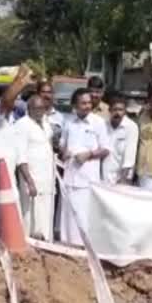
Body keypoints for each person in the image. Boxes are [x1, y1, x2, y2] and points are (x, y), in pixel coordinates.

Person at [59, 87, 111, 245]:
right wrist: (64, 152)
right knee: (69, 214)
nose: (87, 106)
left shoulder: (98, 122)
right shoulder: (68, 122)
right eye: (83, 103)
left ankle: (83, 246)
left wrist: (89, 154)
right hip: (70, 175)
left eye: (89, 103)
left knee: (84, 214)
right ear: (75, 105)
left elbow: (106, 149)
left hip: (88, 177)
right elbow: (62, 145)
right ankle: (67, 245)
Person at [12, 95, 56, 241]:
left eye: (42, 108)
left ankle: (46, 249)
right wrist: (29, 181)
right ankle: (29, 250)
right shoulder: (22, 125)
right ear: (29, 109)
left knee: (45, 217)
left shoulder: (45, 123)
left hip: (47, 180)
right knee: (30, 217)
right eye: (36, 108)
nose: (40, 111)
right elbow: (21, 157)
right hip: (32, 179)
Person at [0, 64, 33, 144]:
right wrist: (20, 79)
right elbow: (6, 101)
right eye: (14, 97)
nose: (16, 101)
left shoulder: (14, 116)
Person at [104, 93, 139, 185]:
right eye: (115, 109)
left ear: (125, 111)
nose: (118, 113)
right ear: (109, 110)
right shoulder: (103, 126)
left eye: (120, 110)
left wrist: (123, 181)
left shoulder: (131, 127)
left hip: (122, 178)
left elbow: (129, 157)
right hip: (103, 177)